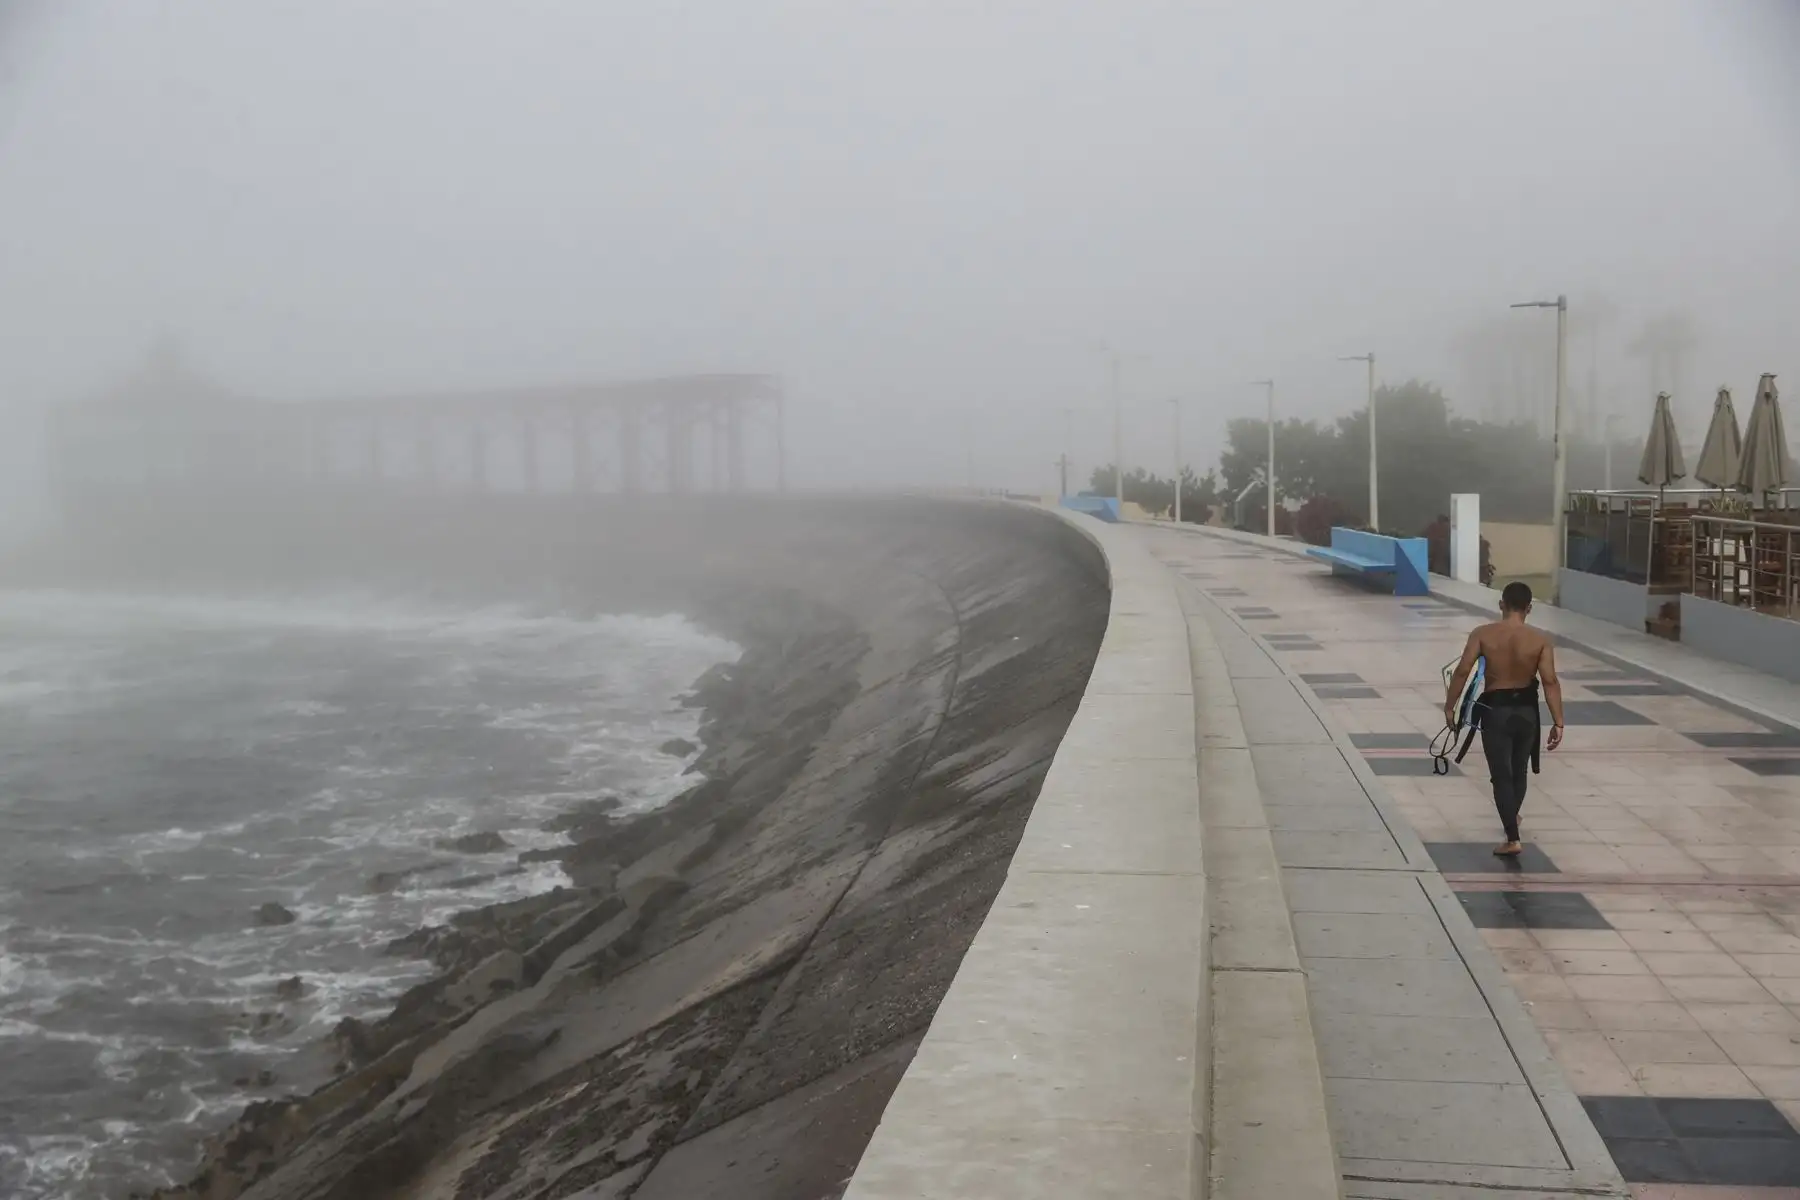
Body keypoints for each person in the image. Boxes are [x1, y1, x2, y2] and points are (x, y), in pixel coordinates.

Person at [1443, 581, 1564, 857]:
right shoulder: (1540, 640)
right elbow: (1550, 681)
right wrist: (1558, 721)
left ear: (1501, 604)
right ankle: (1512, 817)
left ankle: (1512, 837)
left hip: (1496, 711)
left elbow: (1462, 671)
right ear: (1529, 608)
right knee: (1518, 770)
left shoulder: (1483, 634)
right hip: (1527, 712)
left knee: (1501, 776)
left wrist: (1450, 707)